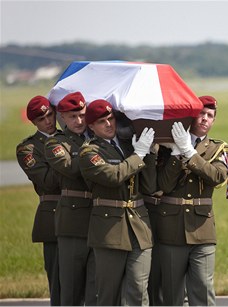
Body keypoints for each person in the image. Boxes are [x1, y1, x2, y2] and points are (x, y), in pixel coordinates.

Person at [155, 95, 228, 306]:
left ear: (214, 121)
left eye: (210, 115)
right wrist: (175, 153)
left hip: (202, 229)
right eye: (201, 114)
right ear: (192, 116)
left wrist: (189, 152)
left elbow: (217, 176)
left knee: (203, 290)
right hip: (171, 229)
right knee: (172, 294)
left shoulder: (219, 149)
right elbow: (163, 184)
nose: (205, 119)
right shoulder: (165, 147)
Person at [78, 99, 157, 306]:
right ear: (91, 126)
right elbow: (113, 176)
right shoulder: (89, 153)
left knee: (139, 291)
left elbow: (148, 186)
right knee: (108, 294)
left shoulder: (128, 145)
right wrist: (138, 154)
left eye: (111, 118)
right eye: (102, 121)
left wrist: (149, 153)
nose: (108, 124)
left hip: (139, 226)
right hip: (109, 228)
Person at [44, 92, 97, 305]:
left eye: (83, 115)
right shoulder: (56, 143)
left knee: (96, 290)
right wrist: (97, 154)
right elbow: (71, 170)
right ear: (62, 118)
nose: (79, 121)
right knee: (72, 291)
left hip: (100, 221)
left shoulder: (99, 138)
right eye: (73, 116)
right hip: (73, 224)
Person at [16, 95, 61, 305]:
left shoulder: (70, 137)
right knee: (59, 281)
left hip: (83, 214)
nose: (49, 121)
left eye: (51, 115)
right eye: (42, 118)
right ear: (34, 122)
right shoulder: (29, 149)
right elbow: (47, 182)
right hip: (53, 216)